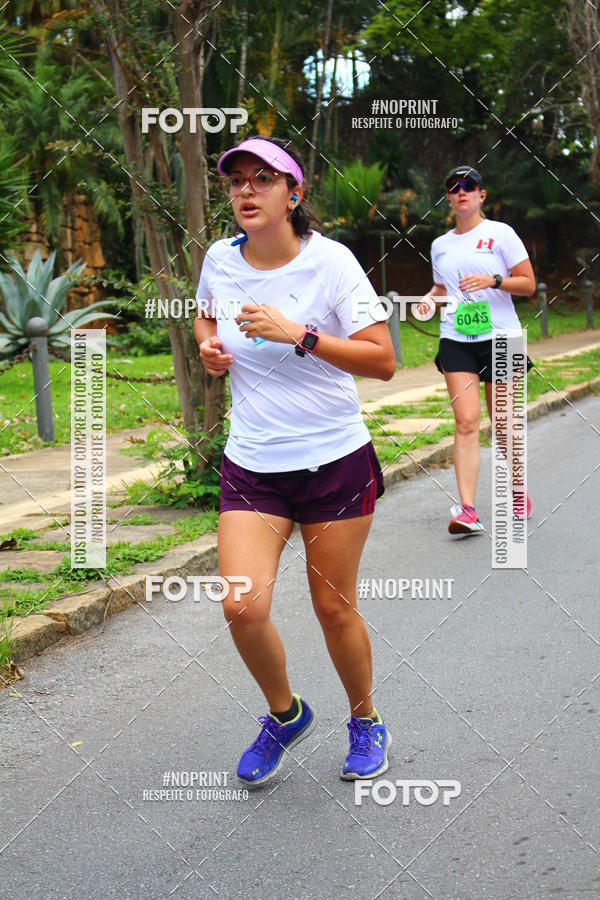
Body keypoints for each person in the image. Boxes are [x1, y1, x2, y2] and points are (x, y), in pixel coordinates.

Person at [193, 136, 396, 787]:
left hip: (334, 460)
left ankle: (365, 720)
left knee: (333, 608)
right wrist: (209, 349)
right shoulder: (219, 259)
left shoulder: (331, 263)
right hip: (253, 462)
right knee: (241, 606)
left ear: (293, 193)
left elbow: (383, 360)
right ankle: (286, 714)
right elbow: (205, 318)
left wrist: (299, 333)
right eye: (236, 181)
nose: (245, 191)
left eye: (262, 179)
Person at [418, 166, 536, 535]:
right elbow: (441, 289)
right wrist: (428, 300)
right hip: (456, 338)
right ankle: (467, 509)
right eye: (454, 187)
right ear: (448, 198)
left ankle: (518, 487)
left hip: (501, 338)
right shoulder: (440, 245)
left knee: (502, 422)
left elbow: (528, 284)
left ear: (481, 194)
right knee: (466, 421)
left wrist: (493, 280)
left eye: (469, 186)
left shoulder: (501, 234)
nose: (462, 192)